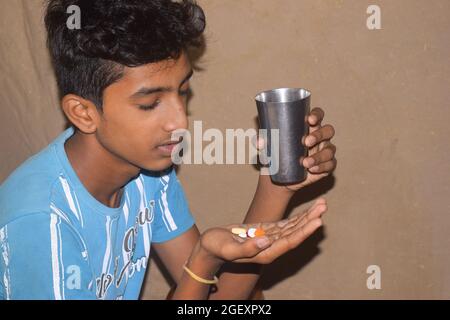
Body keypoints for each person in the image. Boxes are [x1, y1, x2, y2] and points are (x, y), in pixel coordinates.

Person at [0, 0, 337, 300]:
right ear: (83, 113)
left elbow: (221, 299)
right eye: (150, 104)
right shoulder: (42, 225)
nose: (180, 123)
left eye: (184, 91)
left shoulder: (148, 174)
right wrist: (203, 258)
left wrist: (276, 185)